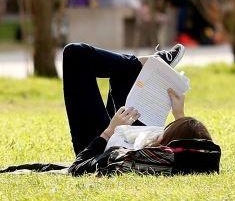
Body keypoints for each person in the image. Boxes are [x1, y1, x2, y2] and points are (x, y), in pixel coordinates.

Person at [61, 42, 215, 175]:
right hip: (134, 127)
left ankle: (143, 64)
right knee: (122, 73)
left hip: (100, 145)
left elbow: (77, 168)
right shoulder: (188, 155)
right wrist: (179, 115)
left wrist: (110, 131)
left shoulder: (130, 158)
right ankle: (143, 65)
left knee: (75, 53)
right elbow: (196, 149)